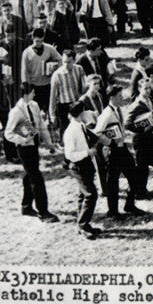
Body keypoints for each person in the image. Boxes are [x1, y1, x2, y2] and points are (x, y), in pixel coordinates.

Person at [4, 81, 59, 222]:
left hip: (34, 146)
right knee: (37, 178)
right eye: (33, 92)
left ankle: (26, 206)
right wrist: (23, 140)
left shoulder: (34, 106)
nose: (35, 94)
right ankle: (43, 212)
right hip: (24, 148)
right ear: (27, 94)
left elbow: (41, 125)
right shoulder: (16, 111)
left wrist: (49, 143)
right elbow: (8, 134)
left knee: (30, 175)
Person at [93, 84, 146, 219]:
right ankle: (113, 211)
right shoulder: (107, 114)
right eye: (119, 96)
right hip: (113, 151)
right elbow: (97, 133)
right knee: (113, 182)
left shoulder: (117, 109)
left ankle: (129, 204)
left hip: (122, 148)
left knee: (133, 177)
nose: (122, 98)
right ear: (111, 97)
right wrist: (110, 142)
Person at [62, 101, 102, 239]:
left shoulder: (80, 126)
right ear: (82, 113)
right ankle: (83, 225)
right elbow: (69, 155)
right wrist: (88, 152)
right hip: (79, 165)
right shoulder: (71, 131)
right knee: (91, 195)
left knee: (83, 195)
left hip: (85, 165)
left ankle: (83, 224)